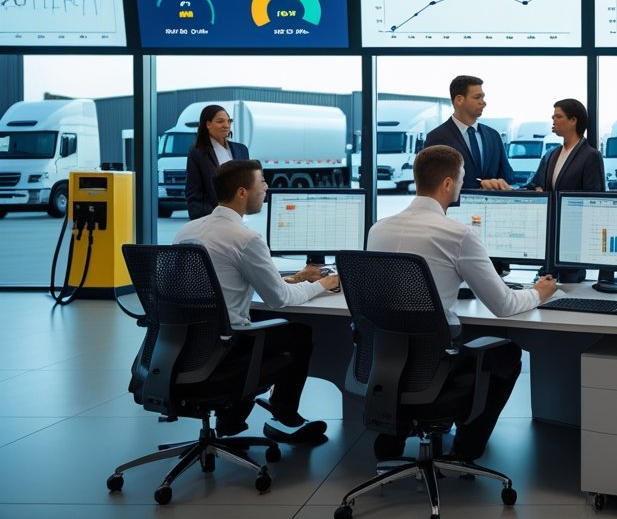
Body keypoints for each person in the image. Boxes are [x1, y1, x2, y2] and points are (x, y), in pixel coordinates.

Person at [367, 145, 558, 461]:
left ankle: (393, 438)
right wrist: (539, 292)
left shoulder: (378, 229)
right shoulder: (457, 234)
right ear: (447, 183)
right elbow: (505, 305)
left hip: (385, 366)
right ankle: (466, 449)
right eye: (460, 179)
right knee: (506, 353)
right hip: (432, 370)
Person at [173, 159, 339, 443]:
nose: (266, 188)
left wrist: (295, 278)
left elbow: (222, 282)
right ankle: (284, 415)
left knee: (271, 325)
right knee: (298, 333)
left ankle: (233, 419)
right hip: (227, 345)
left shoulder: (187, 231)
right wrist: (324, 283)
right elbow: (280, 300)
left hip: (186, 344)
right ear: (242, 192)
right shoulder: (245, 238)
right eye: (261, 183)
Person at [423, 76, 514, 191]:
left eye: (483, 97)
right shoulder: (436, 138)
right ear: (459, 100)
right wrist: (480, 184)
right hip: (454, 207)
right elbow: (432, 180)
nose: (483, 103)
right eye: (477, 97)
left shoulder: (493, 136)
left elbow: (508, 177)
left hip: (492, 206)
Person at [185, 104, 250, 220]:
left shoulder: (241, 150)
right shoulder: (198, 153)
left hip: (240, 219)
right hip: (213, 219)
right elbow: (194, 194)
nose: (226, 125)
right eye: (220, 121)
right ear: (208, 124)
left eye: (228, 121)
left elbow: (248, 186)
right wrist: (214, 216)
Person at [526, 98, 605, 192]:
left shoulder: (591, 156)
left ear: (573, 120)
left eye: (558, 117)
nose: (554, 120)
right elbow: (534, 184)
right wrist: (537, 188)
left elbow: (594, 197)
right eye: (553, 117)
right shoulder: (551, 155)